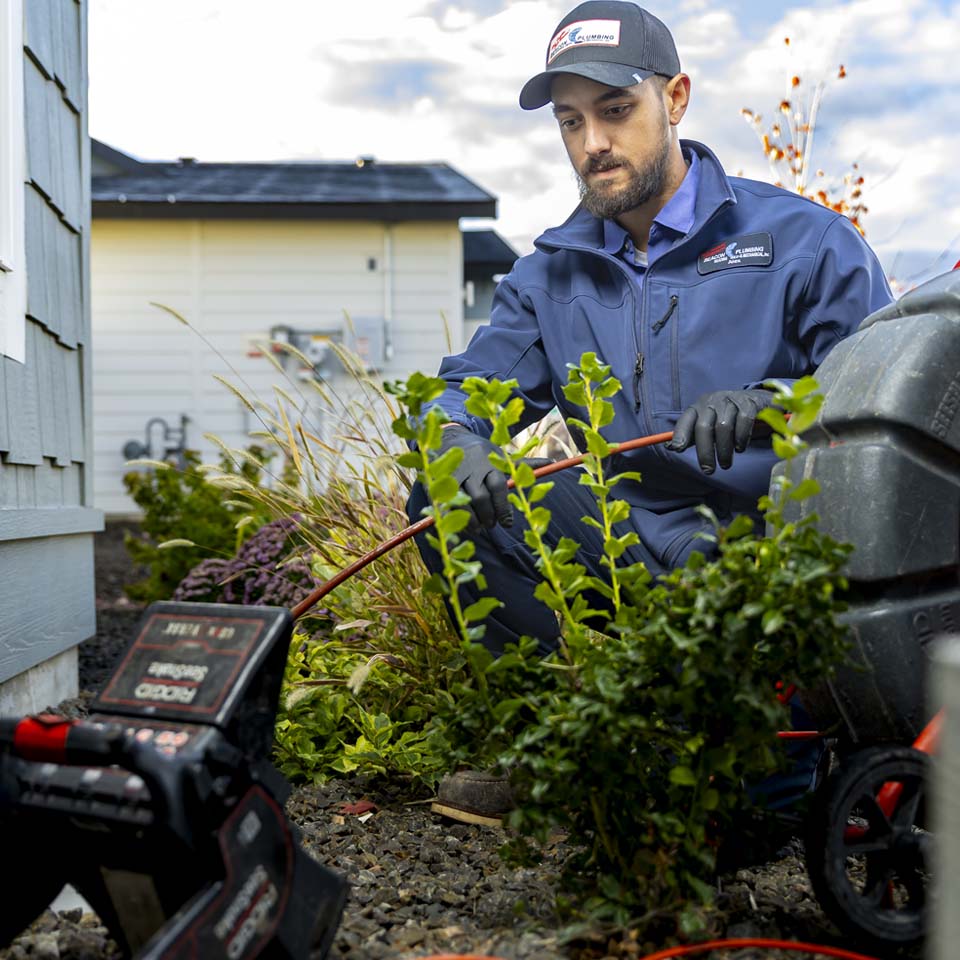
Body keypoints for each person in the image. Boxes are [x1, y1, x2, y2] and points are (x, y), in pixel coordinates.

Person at [411, 1, 893, 823]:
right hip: (625, 538)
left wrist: (775, 403)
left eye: (616, 110)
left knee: (749, 804)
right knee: (440, 501)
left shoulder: (803, 241)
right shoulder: (550, 275)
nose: (592, 142)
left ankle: (768, 742)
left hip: (763, 562)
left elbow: (882, 404)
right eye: (571, 121)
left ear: (675, 98)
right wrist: (456, 437)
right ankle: (555, 749)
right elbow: (465, 388)